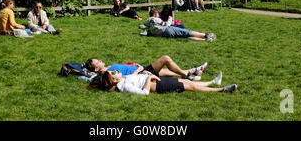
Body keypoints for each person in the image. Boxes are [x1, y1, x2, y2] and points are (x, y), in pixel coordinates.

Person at [87, 70, 237, 95]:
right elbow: (144, 93)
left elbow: (135, 78)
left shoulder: (123, 80)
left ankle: (212, 82)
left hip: (155, 80)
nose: (115, 71)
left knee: (185, 80)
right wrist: (147, 78)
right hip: (158, 86)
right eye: (113, 73)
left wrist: (144, 73)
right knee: (190, 86)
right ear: (113, 81)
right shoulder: (124, 86)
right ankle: (222, 90)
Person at [85, 55, 214, 82]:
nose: (101, 60)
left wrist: (131, 64)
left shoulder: (109, 68)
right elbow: (124, 78)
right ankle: (188, 75)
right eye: (98, 62)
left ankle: (194, 70)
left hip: (140, 70)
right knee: (165, 59)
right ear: (96, 69)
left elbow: (124, 70)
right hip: (142, 73)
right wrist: (139, 68)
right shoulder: (108, 73)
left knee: (169, 72)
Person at [144, 8, 217, 41]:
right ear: (154, 14)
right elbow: (166, 25)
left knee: (185, 37)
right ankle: (206, 35)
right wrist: (170, 19)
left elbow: (143, 26)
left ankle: (204, 40)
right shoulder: (156, 19)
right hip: (167, 30)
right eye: (157, 13)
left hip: (163, 35)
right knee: (186, 32)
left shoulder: (147, 22)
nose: (159, 14)